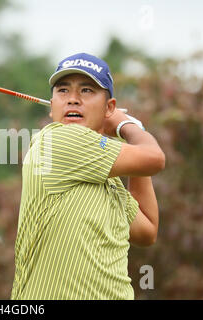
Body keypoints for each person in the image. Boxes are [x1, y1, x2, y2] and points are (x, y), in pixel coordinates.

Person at [11, 53, 165, 300]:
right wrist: (129, 126)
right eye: (62, 90)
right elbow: (154, 159)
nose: (73, 99)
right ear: (52, 107)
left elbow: (146, 231)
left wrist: (127, 138)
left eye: (86, 90)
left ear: (109, 108)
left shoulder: (109, 181)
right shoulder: (56, 140)